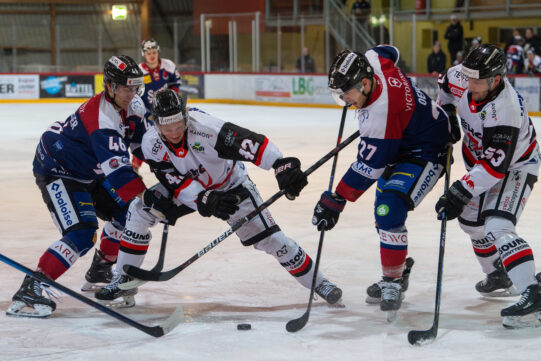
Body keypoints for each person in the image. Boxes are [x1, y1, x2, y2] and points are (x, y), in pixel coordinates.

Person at [93, 89, 343, 307]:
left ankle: (320, 283)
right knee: (139, 209)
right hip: (190, 190)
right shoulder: (152, 144)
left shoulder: (207, 129)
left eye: (179, 124)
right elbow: (174, 181)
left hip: (231, 187)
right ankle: (122, 278)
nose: (174, 132)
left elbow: (248, 142)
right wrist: (203, 199)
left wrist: (279, 164)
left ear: (186, 114)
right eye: (167, 128)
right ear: (157, 124)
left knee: (275, 242)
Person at [312, 46, 455, 314]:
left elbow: (369, 167)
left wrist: (336, 200)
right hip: (401, 142)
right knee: (383, 220)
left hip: (426, 151)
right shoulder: (373, 60)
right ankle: (398, 270)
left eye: (347, 94)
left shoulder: (381, 115)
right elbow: (390, 50)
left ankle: (393, 281)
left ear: (365, 83)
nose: (345, 101)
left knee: (388, 209)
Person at [6, 55, 149, 318]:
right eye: (126, 88)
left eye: (135, 87)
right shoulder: (102, 118)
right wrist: (151, 198)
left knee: (130, 213)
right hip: (59, 169)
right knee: (82, 233)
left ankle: (101, 268)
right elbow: (119, 174)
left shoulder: (134, 105)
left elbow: (144, 146)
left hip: (90, 169)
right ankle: (33, 286)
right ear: (109, 86)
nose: (132, 94)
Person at [435, 43, 541, 329]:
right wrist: (448, 112)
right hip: (482, 165)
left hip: (516, 167)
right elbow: (446, 86)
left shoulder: (505, 110)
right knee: (470, 222)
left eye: (476, 81)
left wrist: (460, 190)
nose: (469, 84)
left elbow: (494, 167)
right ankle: (498, 275)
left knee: (497, 226)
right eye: (468, 78)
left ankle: (533, 297)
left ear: (495, 80)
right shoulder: (464, 77)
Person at [134, 38, 182, 171]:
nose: (152, 55)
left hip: (167, 112)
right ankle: (136, 166)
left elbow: (175, 85)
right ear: (144, 54)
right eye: (149, 53)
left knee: (171, 136)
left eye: (154, 52)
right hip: (147, 113)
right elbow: (134, 94)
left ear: (158, 51)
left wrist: (173, 104)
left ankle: (172, 164)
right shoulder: (138, 71)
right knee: (146, 140)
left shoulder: (169, 66)